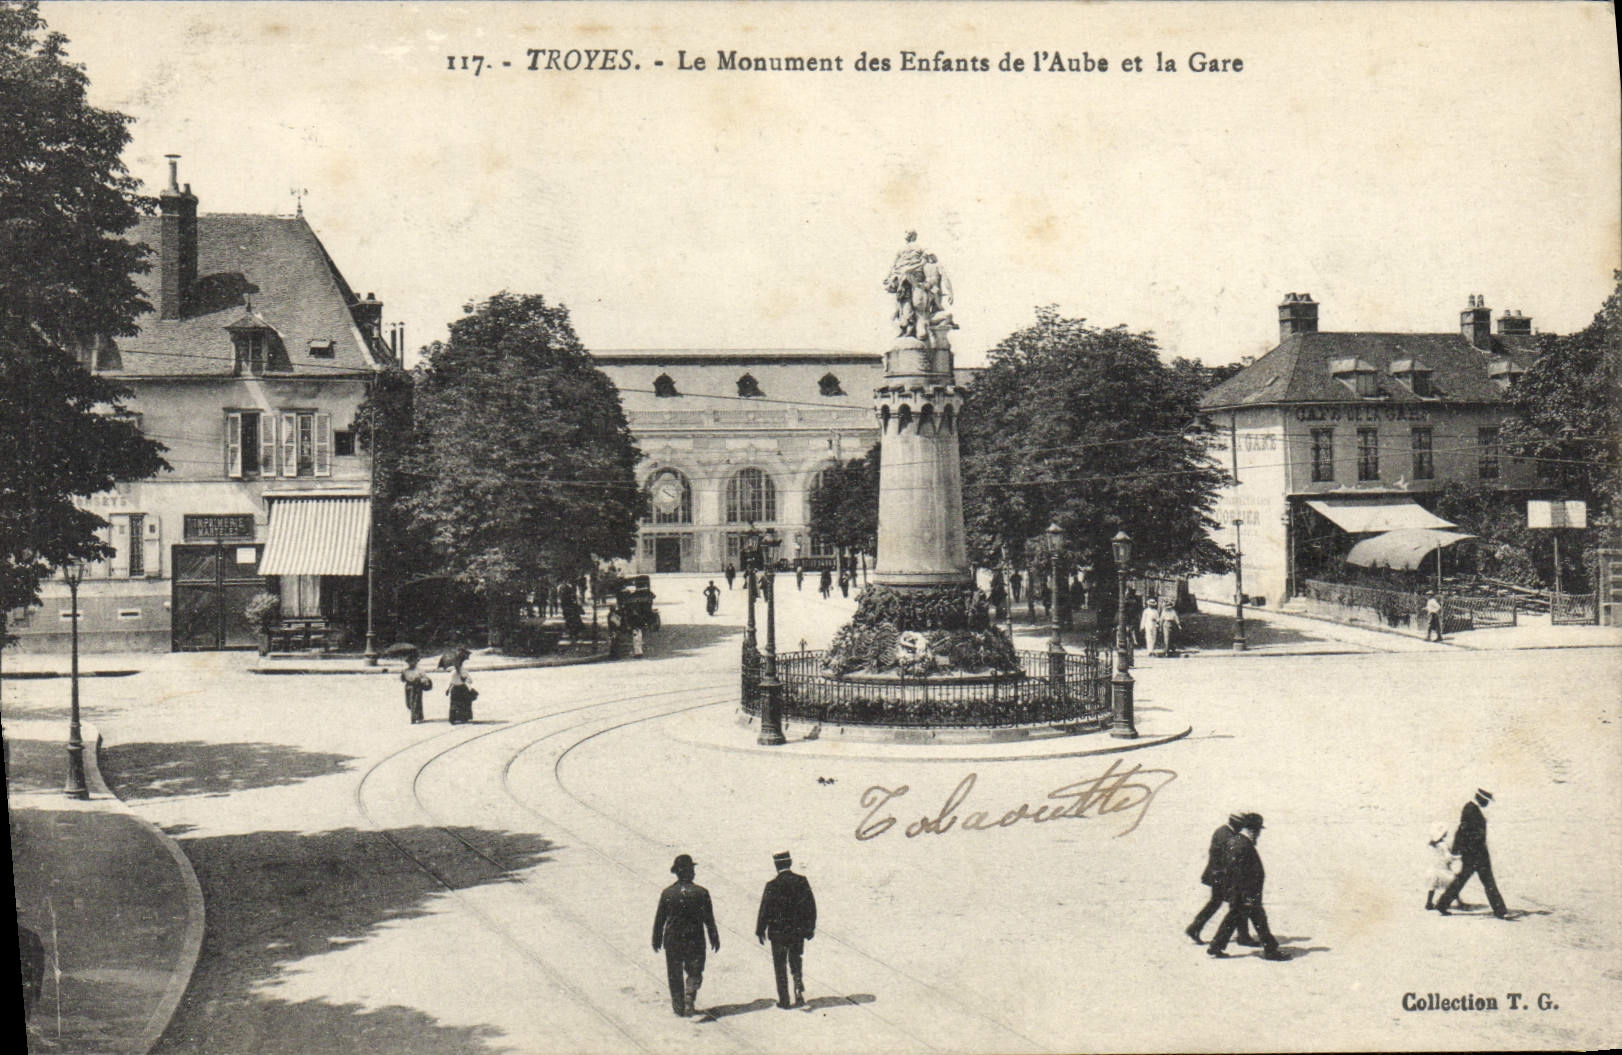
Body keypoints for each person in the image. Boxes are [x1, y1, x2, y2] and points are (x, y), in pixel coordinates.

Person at [1207, 813, 1285, 960]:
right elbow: (1238, 872)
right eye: (1258, 831)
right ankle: (1271, 951)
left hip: (1243, 892)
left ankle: (1216, 946)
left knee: (1233, 918)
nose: (1259, 835)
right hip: (1246, 892)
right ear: (1253, 830)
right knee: (1259, 921)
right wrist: (1246, 895)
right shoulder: (1242, 845)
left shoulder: (1237, 841)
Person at [652, 853, 720, 1017]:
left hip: (673, 939)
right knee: (695, 969)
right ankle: (689, 995)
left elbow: (660, 918)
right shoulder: (701, 892)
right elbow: (709, 919)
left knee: (674, 973)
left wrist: (656, 938)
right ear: (689, 872)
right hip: (694, 938)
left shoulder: (668, 893)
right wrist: (714, 936)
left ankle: (678, 1007)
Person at [755, 851, 817, 1009]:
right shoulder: (801, 881)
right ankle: (798, 988)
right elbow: (810, 906)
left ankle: (784, 1000)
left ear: (776, 865)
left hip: (778, 933)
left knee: (780, 965)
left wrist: (760, 930)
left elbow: (765, 909)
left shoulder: (772, 885)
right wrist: (809, 928)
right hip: (797, 931)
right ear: (790, 862)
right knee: (796, 959)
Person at [1435, 789, 1508, 918]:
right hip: (1474, 854)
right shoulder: (1470, 809)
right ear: (1480, 798)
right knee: (1485, 882)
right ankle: (1500, 911)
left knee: (1466, 880)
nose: (1487, 803)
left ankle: (1442, 904)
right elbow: (1462, 831)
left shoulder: (1472, 808)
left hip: (1475, 853)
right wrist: (1459, 851)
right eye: (1486, 801)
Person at [1185, 814, 1256, 946]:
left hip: (1219, 875)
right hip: (1221, 876)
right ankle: (1242, 936)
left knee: (1222, 903)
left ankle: (1195, 928)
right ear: (1236, 823)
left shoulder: (1224, 831)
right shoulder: (1227, 835)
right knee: (1237, 904)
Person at [1424, 820, 1463, 912]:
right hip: (1443, 870)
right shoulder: (1443, 845)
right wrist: (1459, 857)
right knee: (1453, 884)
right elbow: (1448, 857)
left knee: (1432, 886)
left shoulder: (1431, 844)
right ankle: (1458, 902)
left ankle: (1429, 903)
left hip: (1433, 869)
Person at [400, 648, 432, 724]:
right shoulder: (405, 671)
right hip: (408, 688)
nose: (411, 663)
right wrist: (402, 675)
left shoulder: (419, 671)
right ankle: (418, 715)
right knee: (409, 703)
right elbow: (403, 680)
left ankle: (414, 717)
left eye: (413, 661)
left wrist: (422, 680)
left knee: (416, 701)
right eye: (409, 661)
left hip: (417, 688)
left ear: (416, 662)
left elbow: (425, 678)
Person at [445, 648, 475, 724]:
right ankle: (463, 717)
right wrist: (464, 679)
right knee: (463, 704)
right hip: (462, 689)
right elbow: (470, 681)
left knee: (454, 704)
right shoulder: (463, 671)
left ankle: (453, 718)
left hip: (454, 689)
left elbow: (451, 682)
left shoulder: (453, 672)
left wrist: (448, 689)